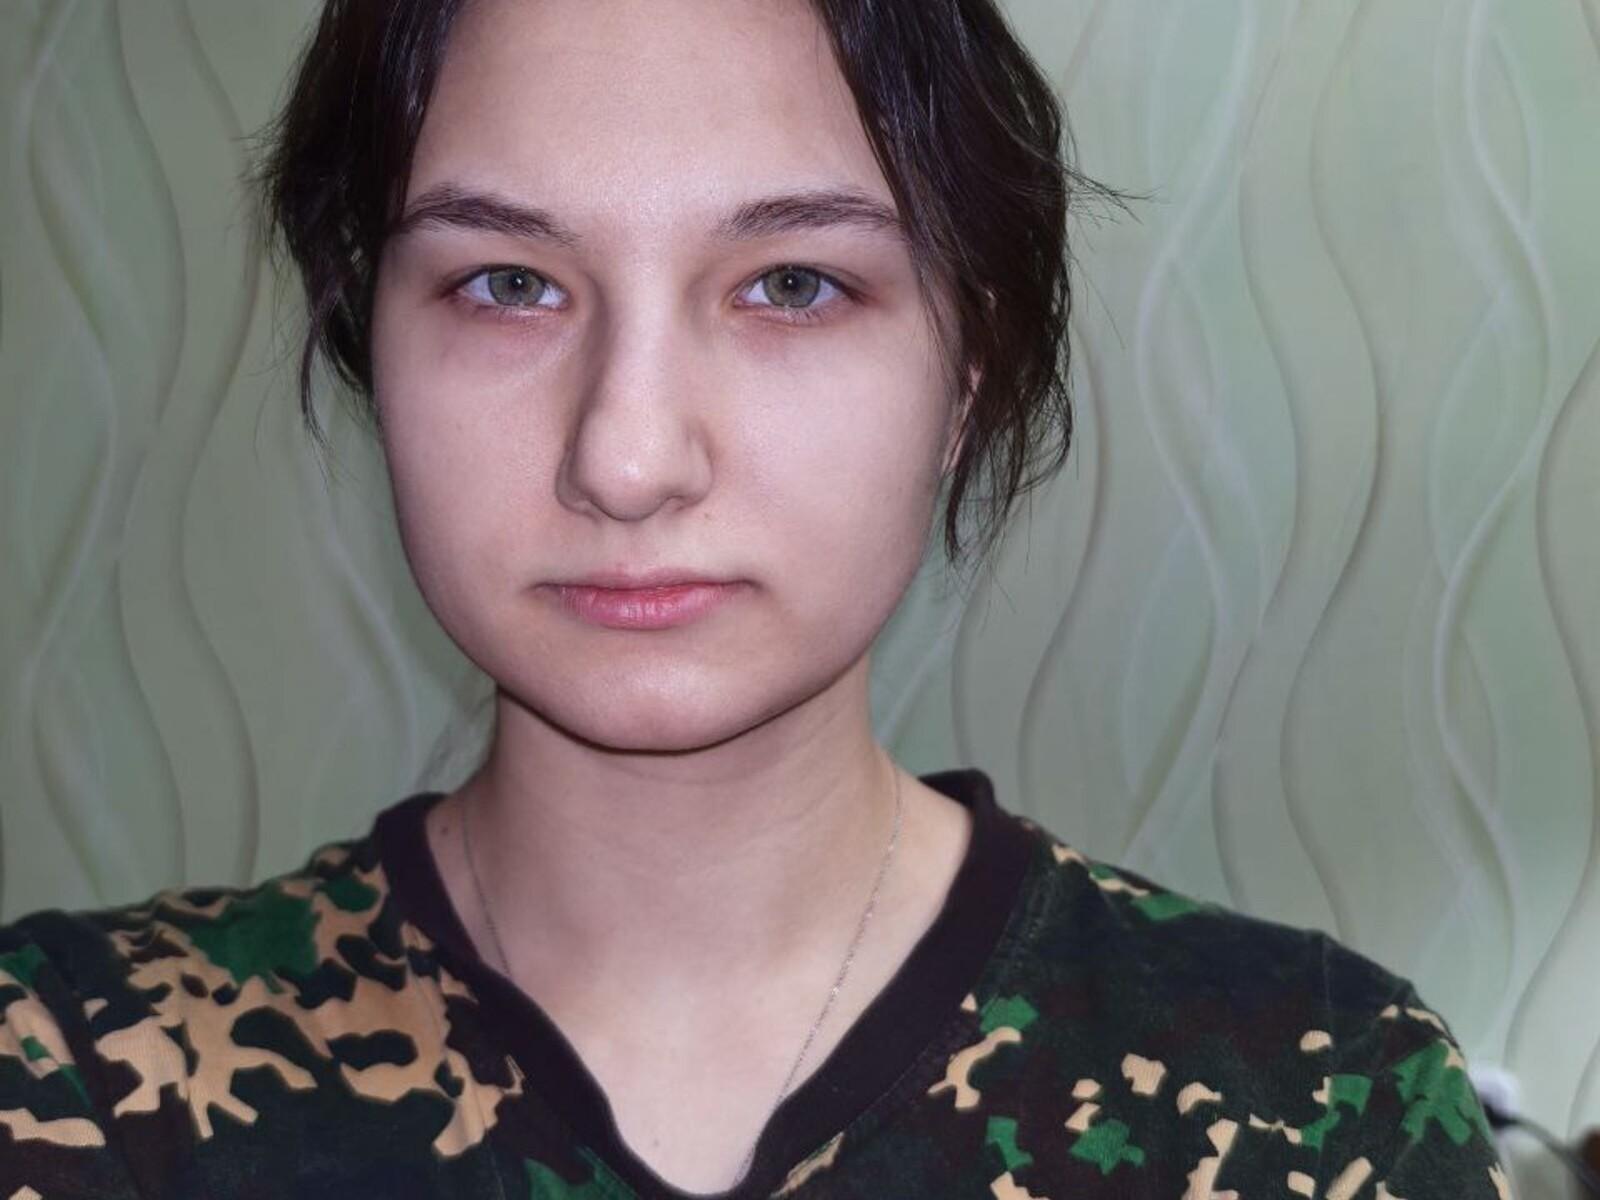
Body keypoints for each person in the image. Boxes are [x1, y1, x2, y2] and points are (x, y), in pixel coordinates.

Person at [0, 1, 1507, 1196]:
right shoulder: (72, 1075)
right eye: (505, 284)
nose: (629, 456)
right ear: (368, 341)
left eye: (792, 284)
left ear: (968, 369)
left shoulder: (1315, 1102)